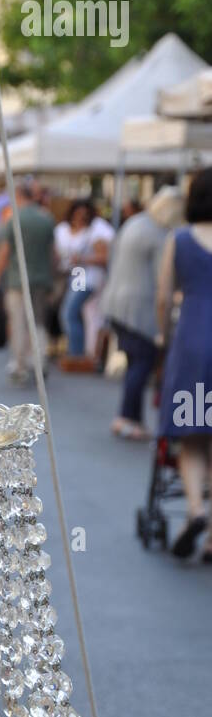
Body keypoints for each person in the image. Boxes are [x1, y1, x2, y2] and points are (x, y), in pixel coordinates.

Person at [156, 168, 212, 561]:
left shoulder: (178, 239)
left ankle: (196, 510)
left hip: (193, 341)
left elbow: (162, 297)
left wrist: (163, 337)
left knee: (192, 434)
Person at [101, 187, 184, 439]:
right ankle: (127, 418)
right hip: (140, 307)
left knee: (135, 362)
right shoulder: (160, 235)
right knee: (142, 363)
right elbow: (165, 280)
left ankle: (130, 418)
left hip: (117, 300)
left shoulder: (135, 223)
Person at [0, 178, 55, 384]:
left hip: (17, 280)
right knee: (38, 322)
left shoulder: (13, 219)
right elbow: (53, 253)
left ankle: (19, 364)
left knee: (17, 322)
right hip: (41, 279)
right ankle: (39, 360)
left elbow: (4, 252)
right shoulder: (46, 218)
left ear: (19, 196)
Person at [54, 199, 114, 357]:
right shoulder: (65, 229)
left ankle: (76, 352)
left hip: (85, 275)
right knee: (83, 314)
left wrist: (81, 259)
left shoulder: (96, 231)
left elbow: (104, 256)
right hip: (77, 274)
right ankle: (81, 349)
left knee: (69, 312)